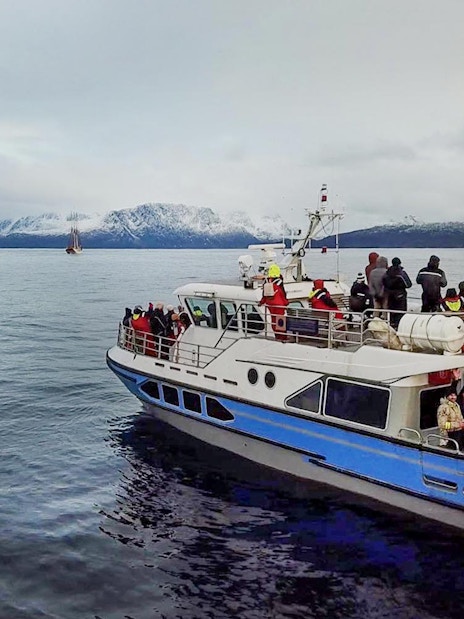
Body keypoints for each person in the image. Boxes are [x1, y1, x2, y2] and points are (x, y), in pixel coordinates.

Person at [258, 264, 288, 340]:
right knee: (280, 321)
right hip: (279, 304)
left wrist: (261, 302)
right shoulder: (279, 281)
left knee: (273, 320)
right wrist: (286, 303)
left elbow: (264, 295)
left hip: (270, 304)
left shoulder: (266, 281)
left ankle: (277, 335)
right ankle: (282, 337)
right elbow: (283, 293)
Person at [382, 257, 412, 329]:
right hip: (400, 295)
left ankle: (392, 328)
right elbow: (408, 284)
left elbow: (384, 283)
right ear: (399, 263)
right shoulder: (401, 273)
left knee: (392, 314)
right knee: (400, 314)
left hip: (390, 296)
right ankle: (399, 328)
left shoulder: (387, 273)